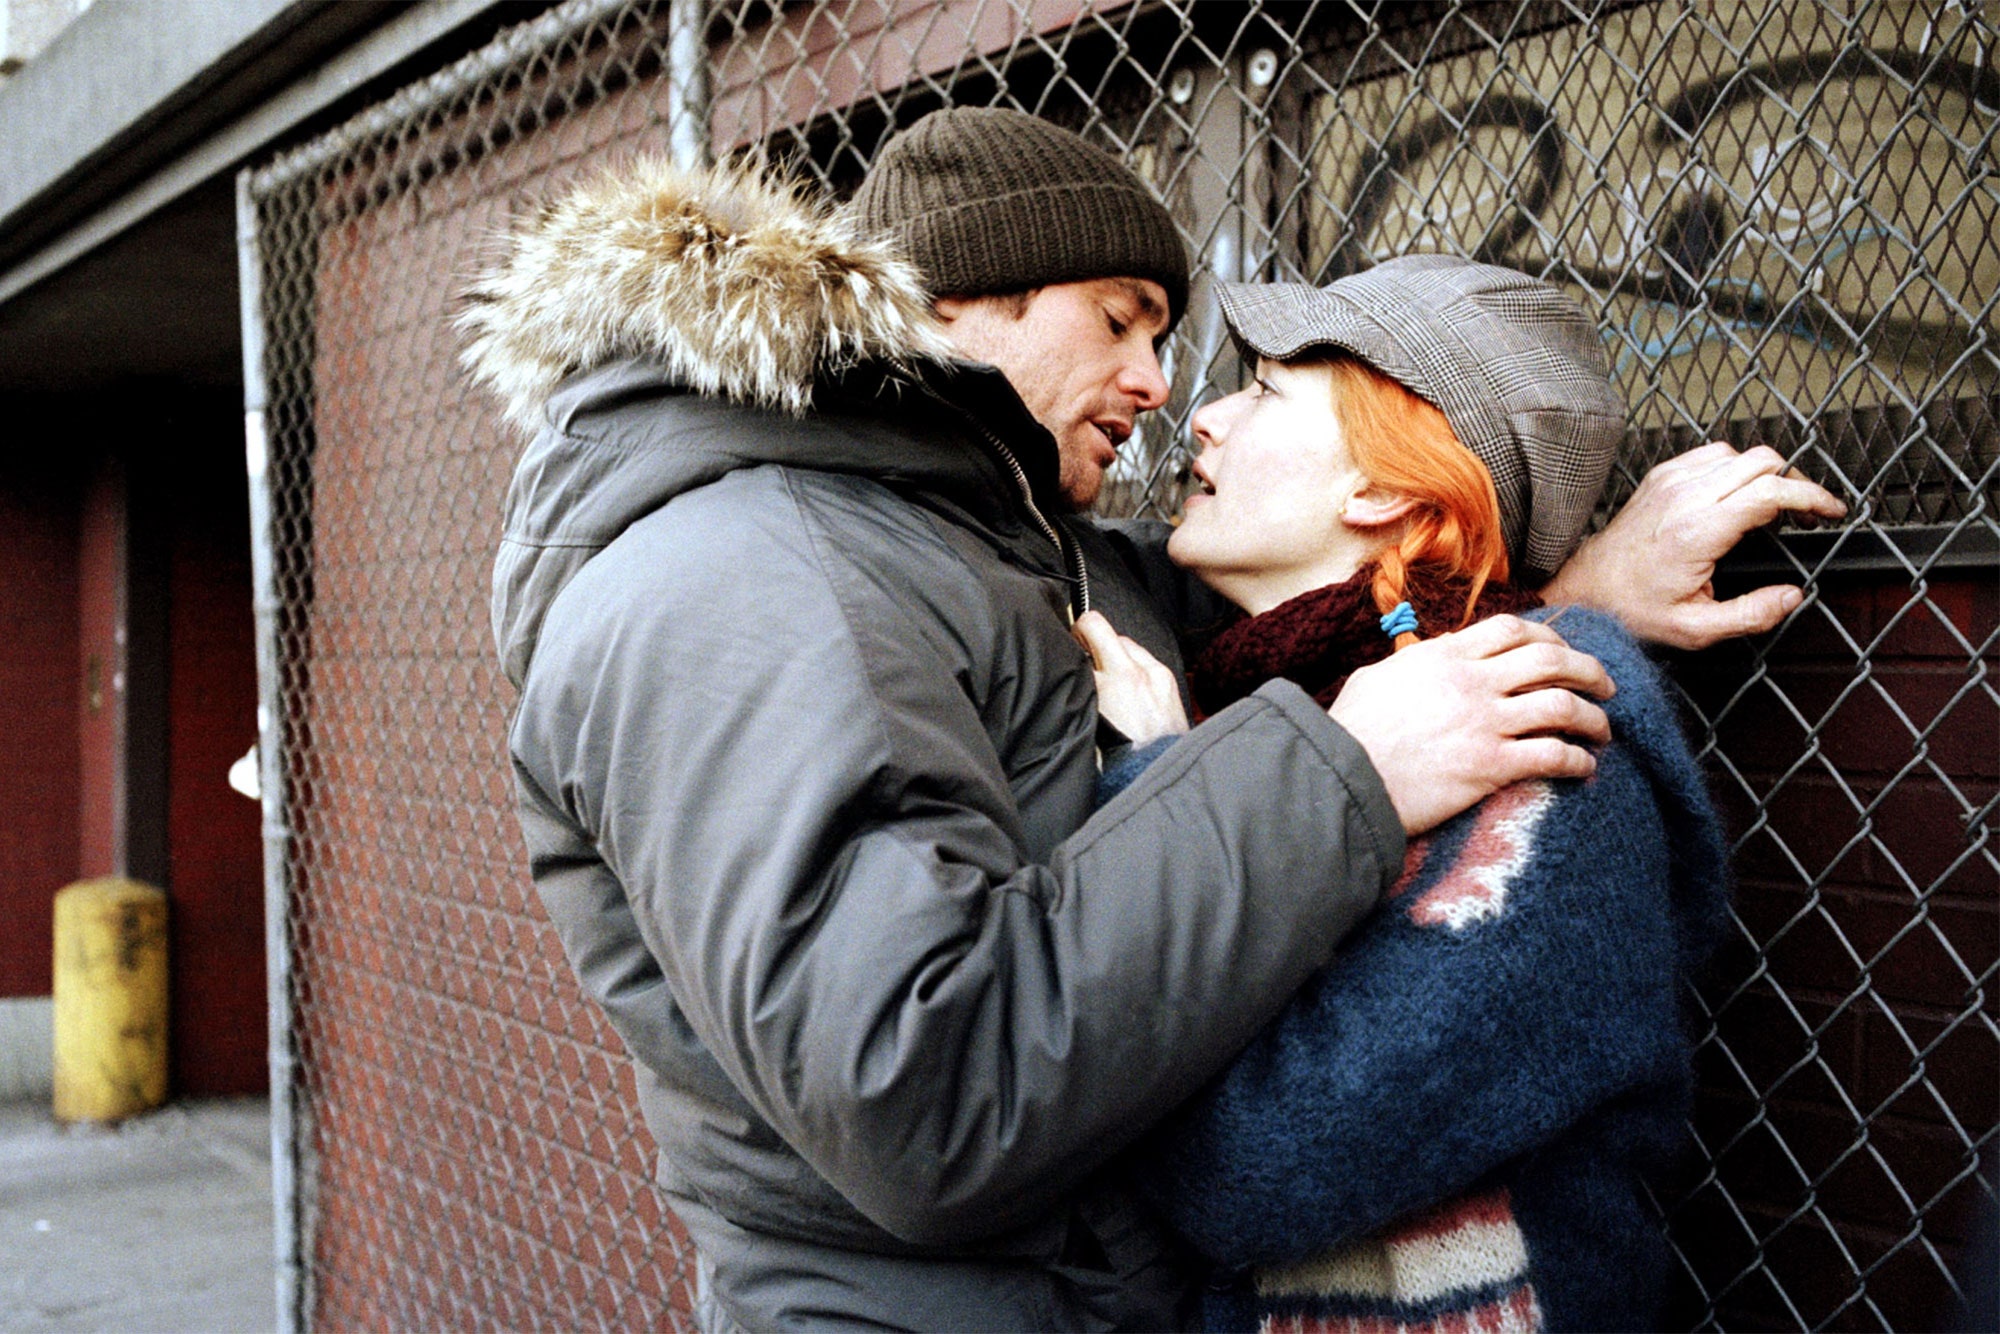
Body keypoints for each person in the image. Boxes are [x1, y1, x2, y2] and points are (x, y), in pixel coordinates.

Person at [459, 107, 1839, 1330]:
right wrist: (1333, 769)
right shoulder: (752, 578)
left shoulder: (1019, 551)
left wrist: (1572, 593)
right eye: (1120, 320)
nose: (1163, 388)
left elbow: (1344, 610)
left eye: (1187, 350)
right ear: (960, 295)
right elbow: (927, 1087)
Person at [1085, 256, 1730, 1332]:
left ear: (1381, 489)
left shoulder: (1543, 757)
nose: (1204, 417)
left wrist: (1165, 788)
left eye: (1264, 391)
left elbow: (1256, 1164)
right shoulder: (1272, 708)